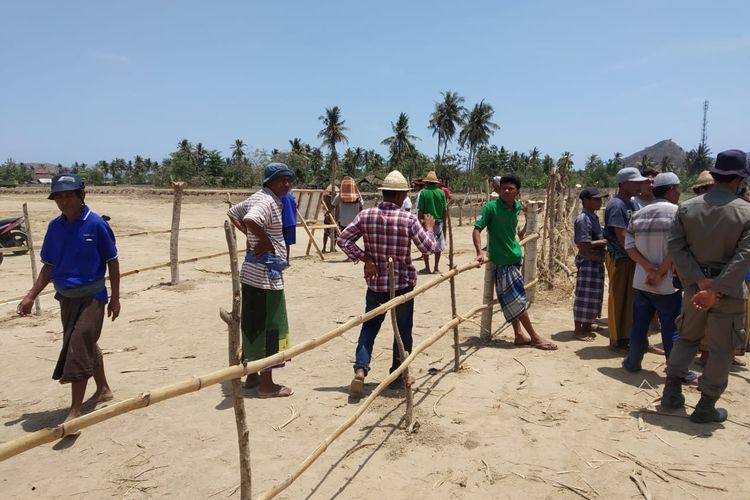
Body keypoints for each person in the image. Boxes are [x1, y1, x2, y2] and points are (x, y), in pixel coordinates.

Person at [17, 174, 119, 423]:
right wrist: (31, 296)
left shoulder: (96, 225)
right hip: (66, 298)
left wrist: (115, 298)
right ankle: (104, 390)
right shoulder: (55, 227)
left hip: (92, 297)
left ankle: (74, 411)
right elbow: (49, 266)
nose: (64, 201)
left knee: (77, 349)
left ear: (81, 196)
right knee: (86, 345)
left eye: (69, 196)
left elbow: (112, 262)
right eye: (59, 197)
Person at [662, 150, 750, 423]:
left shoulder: (688, 207)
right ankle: (706, 406)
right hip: (728, 292)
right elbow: (744, 255)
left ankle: (672, 394)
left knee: (687, 338)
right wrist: (716, 289)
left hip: (694, 290)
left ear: (715, 175)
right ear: (739, 178)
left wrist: (699, 281)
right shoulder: (746, 212)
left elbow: (676, 246)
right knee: (723, 349)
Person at [337, 170, 438, 397]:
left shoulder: (366, 215)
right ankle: (398, 374)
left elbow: (342, 239)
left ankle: (361, 370)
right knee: (402, 330)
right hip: (402, 283)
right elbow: (429, 248)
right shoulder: (408, 218)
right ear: (402, 196)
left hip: (375, 283)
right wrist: (430, 229)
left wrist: (366, 257)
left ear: (383, 193)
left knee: (369, 327)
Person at [227, 162, 294, 398]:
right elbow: (252, 219)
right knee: (271, 327)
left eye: (288, 179)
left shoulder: (258, 197)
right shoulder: (266, 201)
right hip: (266, 276)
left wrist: (250, 235)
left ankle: (252, 375)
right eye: (281, 180)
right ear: (269, 182)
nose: (286, 184)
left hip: (252, 274)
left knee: (253, 324)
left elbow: (234, 213)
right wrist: (263, 240)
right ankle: (267, 384)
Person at [473, 174, 557, 350]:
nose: (506, 191)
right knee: (517, 301)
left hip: (515, 258)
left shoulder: (517, 206)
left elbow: (513, 228)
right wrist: (479, 252)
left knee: (513, 301)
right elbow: (477, 229)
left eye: (510, 188)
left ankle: (519, 335)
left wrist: (521, 235)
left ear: (517, 192)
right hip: (502, 262)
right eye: (503, 188)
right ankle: (534, 337)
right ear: (498, 190)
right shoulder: (490, 208)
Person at [622, 173, 694, 377]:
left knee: (639, 325)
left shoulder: (639, 213)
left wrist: (648, 267)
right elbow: (679, 247)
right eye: (679, 188)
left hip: (642, 281)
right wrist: (661, 271)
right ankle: (677, 370)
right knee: (671, 327)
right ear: (671, 189)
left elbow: (629, 246)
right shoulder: (680, 213)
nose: (680, 192)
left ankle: (633, 362)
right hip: (667, 283)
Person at [604, 167, 647, 349]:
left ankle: (627, 337)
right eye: (636, 182)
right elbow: (621, 235)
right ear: (624, 184)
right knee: (618, 298)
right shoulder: (617, 205)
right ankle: (617, 338)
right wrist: (636, 255)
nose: (640, 186)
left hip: (631, 257)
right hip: (621, 257)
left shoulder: (633, 204)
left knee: (630, 299)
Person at [572, 187, 609, 340]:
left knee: (594, 295)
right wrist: (602, 241)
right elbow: (582, 244)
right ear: (586, 201)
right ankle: (578, 329)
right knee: (584, 295)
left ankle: (587, 324)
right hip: (588, 261)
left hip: (595, 260)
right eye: (596, 199)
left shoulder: (592, 217)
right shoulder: (584, 219)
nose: (600, 202)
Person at [417, 170, 448, 274]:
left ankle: (427, 267)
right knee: (438, 247)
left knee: (425, 245)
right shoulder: (441, 193)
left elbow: (420, 210)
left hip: (426, 223)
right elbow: (445, 210)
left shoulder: (423, 193)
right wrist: (444, 224)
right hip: (439, 223)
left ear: (426, 182)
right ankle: (436, 268)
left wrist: (419, 223)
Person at [280, 193, 297, 262]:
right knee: (286, 243)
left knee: (280, 242)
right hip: (291, 221)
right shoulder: (291, 196)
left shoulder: (279, 196)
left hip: (284, 221)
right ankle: (286, 260)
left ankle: (282, 260)